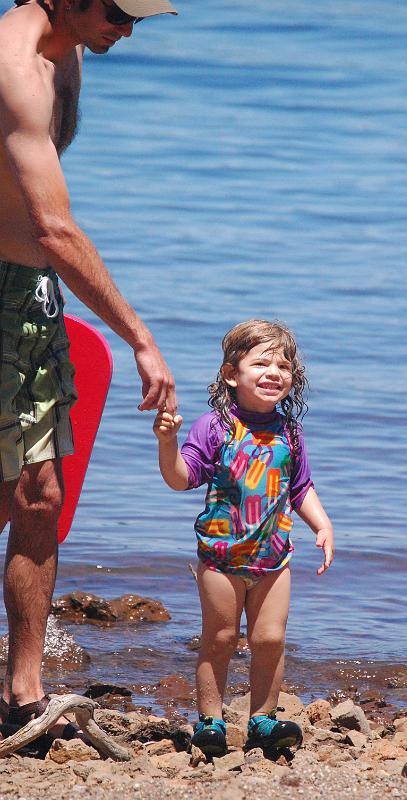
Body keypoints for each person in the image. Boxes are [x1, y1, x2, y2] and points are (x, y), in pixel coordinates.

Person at [0, 0, 177, 747]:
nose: (128, 30)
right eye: (116, 10)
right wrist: (139, 336)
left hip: (33, 298)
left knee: (39, 494)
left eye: (140, 17)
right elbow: (53, 226)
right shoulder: (12, 68)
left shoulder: (69, 47)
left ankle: (23, 691)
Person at [153, 319, 334, 756]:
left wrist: (323, 524)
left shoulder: (289, 432)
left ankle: (263, 720)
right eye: (262, 363)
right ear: (232, 375)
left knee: (269, 639)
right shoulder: (215, 427)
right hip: (221, 557)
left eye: (284, 365)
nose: (275, 372)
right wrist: (168, 442)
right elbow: (182, 479)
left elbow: (300, 486)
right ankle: (210, 721)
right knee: (220, 639)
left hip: (274, 557)